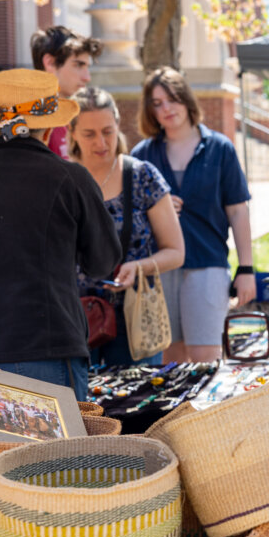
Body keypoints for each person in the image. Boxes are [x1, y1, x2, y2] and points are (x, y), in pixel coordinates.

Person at [0, 69, 122, 400]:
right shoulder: (71, 178)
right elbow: (103, 262)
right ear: (50, 126)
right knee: (54, 454)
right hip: (47, 348)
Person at [131, 66, 256, 362]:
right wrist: (155, 212)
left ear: (186, 100)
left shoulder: (219, 149)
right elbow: (127, 216)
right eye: (157, 104)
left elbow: (238, 211)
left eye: (172, 100)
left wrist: (247, 269)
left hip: (207, 265)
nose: (166, 109)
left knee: (205, 359)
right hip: (158, 270)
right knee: (169, 362)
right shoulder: (141, 156)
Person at [69, 86, 185, 366]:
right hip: (75, 319)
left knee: (139, 405)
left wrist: (138, 267)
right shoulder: (62, 181)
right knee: (83, 408)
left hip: (136, 318)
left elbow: (176, 252)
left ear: (118, 125)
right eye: (89, 133)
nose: (101, 142)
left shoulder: (142, 176)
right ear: (71, 132)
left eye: (108, 131)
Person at [30, 25, 103, 160]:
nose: (87, 77)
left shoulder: (74, 116)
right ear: (50, 63)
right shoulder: (29, 124)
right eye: (78, 65)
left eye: (87, 67)